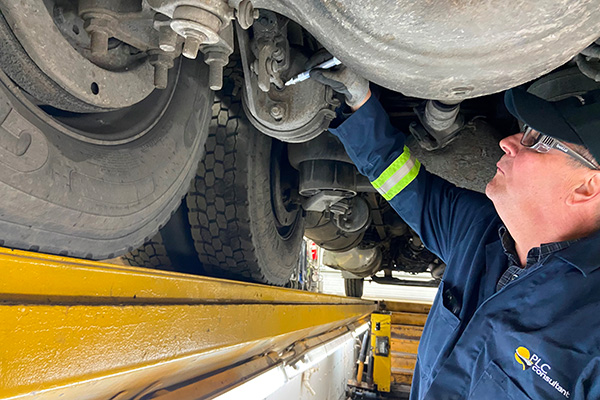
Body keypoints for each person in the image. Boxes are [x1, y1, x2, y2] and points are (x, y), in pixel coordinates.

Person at [310, 65, 600, 400]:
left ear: (587, 186)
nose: (508, 142)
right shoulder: (476, 229)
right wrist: (359, 99)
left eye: (539, 142)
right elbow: (403, 182)